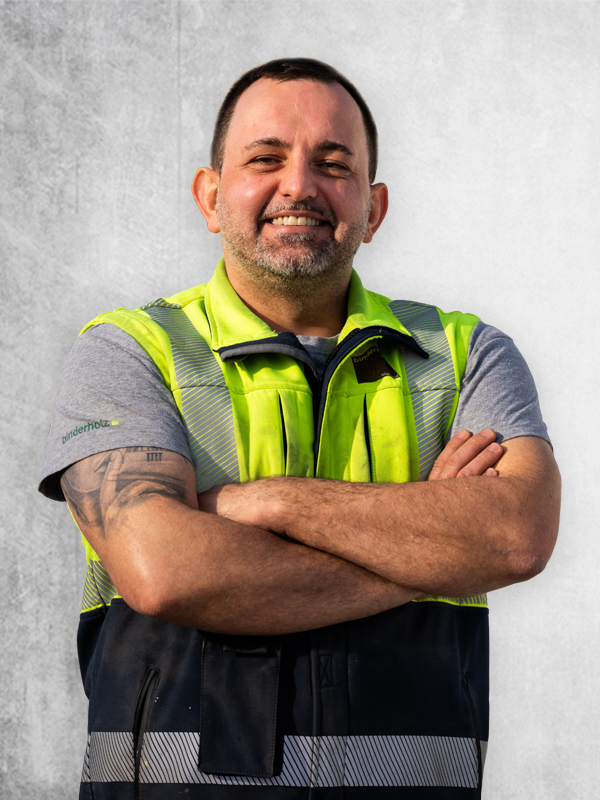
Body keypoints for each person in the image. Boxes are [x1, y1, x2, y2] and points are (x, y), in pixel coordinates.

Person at [39, 58, 560, 799]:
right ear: (210, 196)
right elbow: (162, 572)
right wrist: (437, 553)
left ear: (374, 208)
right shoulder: (129, 351)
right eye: (266, 159)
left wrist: (269, 503)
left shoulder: (467, 353)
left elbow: (515, 538)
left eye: (334, 164)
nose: (299, 185)